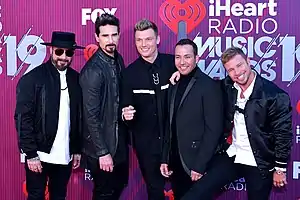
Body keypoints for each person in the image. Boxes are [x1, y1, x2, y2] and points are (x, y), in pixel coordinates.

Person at [181, 46, 293, 200]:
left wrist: (280, 169)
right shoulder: (227, 86)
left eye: (239, 65)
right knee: (197, 193)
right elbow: (205, 84)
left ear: (248, 61)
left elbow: (283, 135)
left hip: (260, 161)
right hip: (233, 154)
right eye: (231, 70)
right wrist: (182, 75)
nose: (237, 73)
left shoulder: (275, 96)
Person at [14, 31, 83, 200]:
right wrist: (30, 154)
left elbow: (78, 118)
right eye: (59, 51)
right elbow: (23, 118)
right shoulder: (33, 79)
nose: (64, 57)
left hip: (64, 155)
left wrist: (76, 149)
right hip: (39, 154)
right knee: (36, 196)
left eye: (69, 53)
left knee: (59, 196)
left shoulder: (76, 79)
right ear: (51, 50)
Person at [159, 38, 223, 199]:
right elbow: (170, 123)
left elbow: (213, 130)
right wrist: (165, 158)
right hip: (175, 163)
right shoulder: (174, 83)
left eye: (187, 57)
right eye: (178, 57)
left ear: (197, 58)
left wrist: (200, 166)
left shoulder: (209, 86)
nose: (182, 62)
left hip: (195, 165)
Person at [121, 19, 176, 200]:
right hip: (147, 145)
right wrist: (125, 115)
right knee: (154, 192)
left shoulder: (174, 64)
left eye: (148, 39)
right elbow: (125, 108)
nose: (144, 45)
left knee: (185, 190)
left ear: (158, 39)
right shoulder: (129, 74)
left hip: (177, 142)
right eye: (139, 40)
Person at [80, 13, 128, 200]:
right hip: (103, 146)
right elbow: (90, 115)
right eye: (105, 36)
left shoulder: (118, 59)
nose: (110, 40)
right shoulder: (93, 71)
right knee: (104, 193)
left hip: (118, 142)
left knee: (117, 187)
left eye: (114, 35)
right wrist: (103, 152)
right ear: (96, 37)